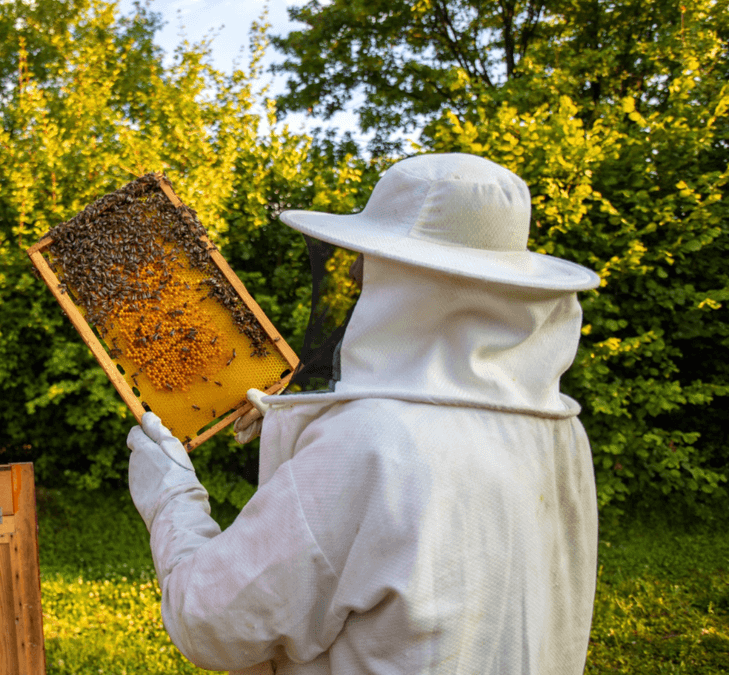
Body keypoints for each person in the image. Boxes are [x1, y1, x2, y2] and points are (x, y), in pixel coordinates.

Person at [126, 153, 601, 674]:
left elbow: (211, 621)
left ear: (409, 283)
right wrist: (296, 425)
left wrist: (170, 496)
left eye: (369, 262)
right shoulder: (560, 432)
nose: (354, 273)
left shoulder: (368, 444)